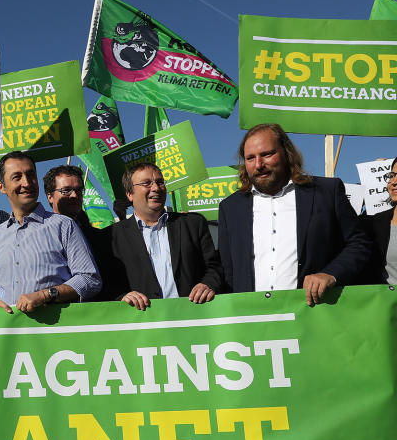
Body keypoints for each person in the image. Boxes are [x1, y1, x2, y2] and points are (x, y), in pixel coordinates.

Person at [218, 123, 371, 304]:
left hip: (313, 316)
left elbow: (359, 244)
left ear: (286, 153)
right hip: (253, 321)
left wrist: (331, 274)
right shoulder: (230, 208)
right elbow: (227, 270)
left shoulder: (327, 192)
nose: (258, 164)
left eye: (267, 154)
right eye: (250, 158)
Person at [0, 151, 101, 313]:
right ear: (1, 187)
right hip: (9, 334)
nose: (27, 183)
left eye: (31, 175)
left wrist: (46, 295)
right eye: (17, 177)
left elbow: (90, 279)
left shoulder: (64, 226)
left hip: (53, 333)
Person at [109, 163, 223, 310]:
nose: (156, 188)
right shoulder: (111, 236)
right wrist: (122, 296)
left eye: (160, 182)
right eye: (147, 183)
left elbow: (215, 266)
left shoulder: (193, 224)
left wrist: (208, 284)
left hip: (193, 316)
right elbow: (106, 282)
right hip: (141, 323)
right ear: (130, 194)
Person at [43, 164, 120, 301]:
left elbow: (112, 279)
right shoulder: (39, 236)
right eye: (66, 190)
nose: (74, 195)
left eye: (79, 190)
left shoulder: (100, 238)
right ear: (50, 197)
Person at [362, 157, 397, 285]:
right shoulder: (374, 224)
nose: (394, 181)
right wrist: (367, 185)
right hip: (387, 303)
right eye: (392, 175)